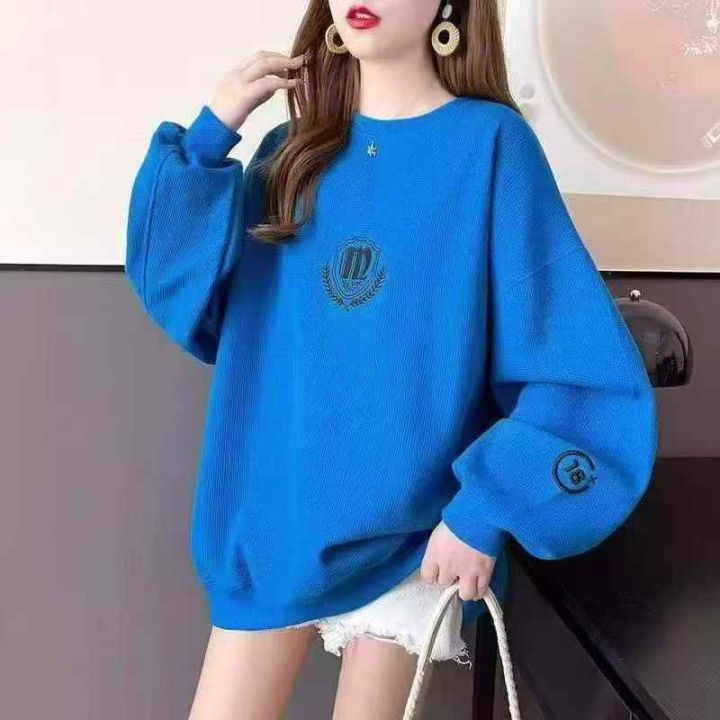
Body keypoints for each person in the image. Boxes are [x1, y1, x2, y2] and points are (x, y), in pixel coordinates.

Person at [124, 1, 658, 718]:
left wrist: (483, 510)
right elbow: (186, 293)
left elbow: (575, 362)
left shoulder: (489, 146)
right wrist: (212, 130)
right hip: (275, 524)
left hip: (414, 542)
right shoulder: (289, 154)